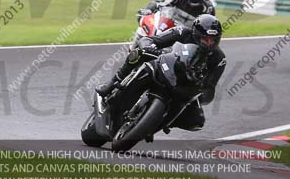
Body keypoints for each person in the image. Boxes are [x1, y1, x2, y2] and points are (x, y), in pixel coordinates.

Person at [96, 14, 226, 131]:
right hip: (166, 64)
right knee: (138, 53)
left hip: (184, 87)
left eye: (213, 40)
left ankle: (159, 123)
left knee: (197, 121)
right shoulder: (182, 32)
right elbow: (150, 40)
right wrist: (149, 48)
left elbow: (210, 88)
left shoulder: (219, 58)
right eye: (205, 39)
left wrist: (201, 93)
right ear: (196, 34)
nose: (209, 43)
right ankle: (112, 83)